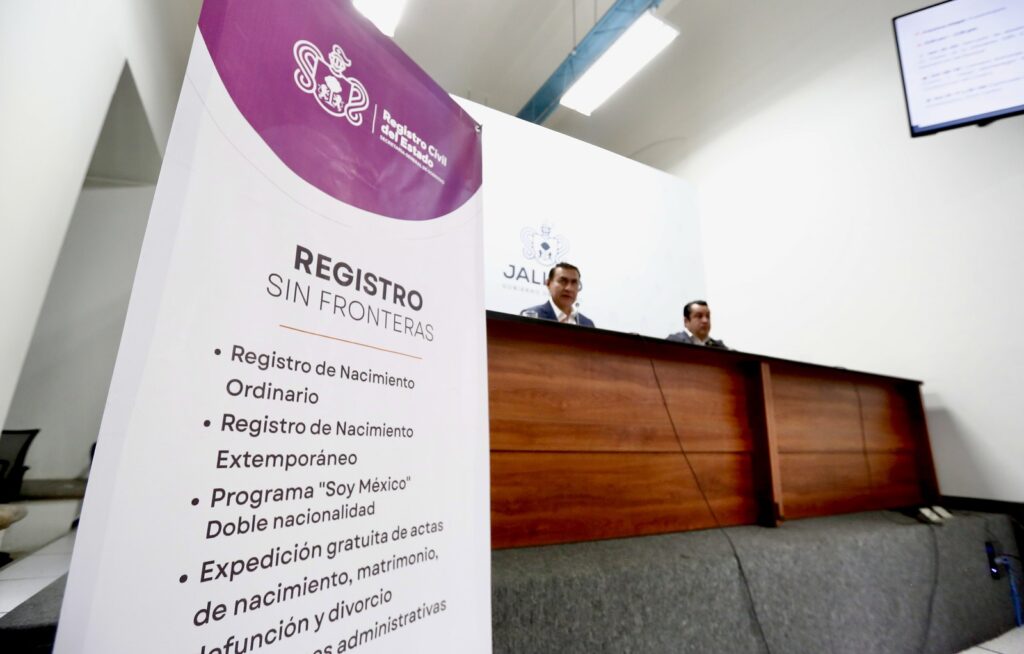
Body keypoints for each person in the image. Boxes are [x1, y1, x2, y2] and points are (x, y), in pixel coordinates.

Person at [520, 262, 595, 327]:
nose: (569, 288)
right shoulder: (532, 316)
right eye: (563, 281)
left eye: (574, 283)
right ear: (548, 283)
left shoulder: (587, 324)